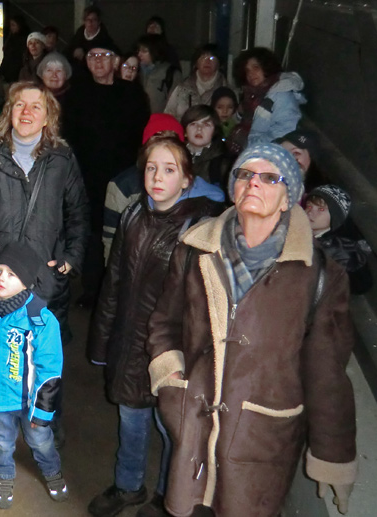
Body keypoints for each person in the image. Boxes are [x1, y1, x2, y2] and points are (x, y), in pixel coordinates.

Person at [146, 143, 357, 516]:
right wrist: (170, 377)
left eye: (269, 177)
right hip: (194, 425)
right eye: (245, 174)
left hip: (262, 439)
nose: (254, 184)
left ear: (288, 196)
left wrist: (333, 454)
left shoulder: (320, 275)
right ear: (233, 187)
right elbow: (165, 322)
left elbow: (327, 374)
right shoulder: (195, 250)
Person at [87, 134, 223, 517]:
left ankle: (168, 497)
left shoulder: (199, 228)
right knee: (130, 420)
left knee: (172, 430)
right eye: (151, 168)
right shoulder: (133, 215)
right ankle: (129, 486)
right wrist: (102, 344)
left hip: (172, 351)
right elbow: (114, 282)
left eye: (169, 169)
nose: (157, 177)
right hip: (131, 345)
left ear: (186, 179)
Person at [0, 81, 90, 347]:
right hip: (1, 279)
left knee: (44, 363)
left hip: (47, 277)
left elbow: (78, 211)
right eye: (19, 105)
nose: (26, 112)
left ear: (47, 117)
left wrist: (71, 257)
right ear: (9, 113)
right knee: (1, 360)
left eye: (36, 106)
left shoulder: (62, 159)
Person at [0, 242, 68, 509]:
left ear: (28, 282)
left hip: (30, 402)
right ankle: (4, 476)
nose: (1, 278)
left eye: (12, 274)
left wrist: (41, 411)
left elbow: (50, 367)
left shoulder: (40, 320)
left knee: (40, 440)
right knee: (1, 442)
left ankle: (52, 471)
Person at [65, 43, 150, 304]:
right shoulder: (76, 94)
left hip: (123, 176)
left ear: (115, 61)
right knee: (92, 231)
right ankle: (92, 289)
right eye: (92, 56)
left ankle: (121, 289)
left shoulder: (132, 93)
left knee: (123, 231)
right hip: (87, 174)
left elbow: (141, 135)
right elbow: (68, 136)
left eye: (105, 55)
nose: (99, 61)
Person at [102, 114, 186, 262]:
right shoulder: (123, 186)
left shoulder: (194, 186)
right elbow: (111, 243)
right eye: (156, 141)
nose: (163, 147)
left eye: (171, 141)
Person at [229, 47, 305, 150]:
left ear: (267, 67)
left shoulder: (282, 95)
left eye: (256, 68)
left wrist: (247, 142)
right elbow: (233, 123)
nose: (251, 74)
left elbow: (283, 134)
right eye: (247, 70)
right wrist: (240, 113)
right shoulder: (252, 95)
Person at [306, 185, 372, 294]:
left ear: (335, 216)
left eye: (321, 209)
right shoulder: (301, 229)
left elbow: (361, 285)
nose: (310, 212)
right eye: (309, 206)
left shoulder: (339, 249)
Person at [164, 44, 230, 120]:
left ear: (219, 63)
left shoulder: (226, 90)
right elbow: (168, 114)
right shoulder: (182, 88)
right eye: (203, 57)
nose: (207, 61)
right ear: (196, 63)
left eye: (212, 58)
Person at [181, 104, 231, 191]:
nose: (199, 129)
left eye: (206, 124)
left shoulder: (223, 163)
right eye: (193, 124)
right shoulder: (175, 156)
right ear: (185, 130)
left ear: (214, 131)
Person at [135, 34, 182, 114]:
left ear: (154, 51)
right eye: (138, 51)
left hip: (159, 121)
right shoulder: (136, 70)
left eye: (144, 51)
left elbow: (175, 104)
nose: (139, 54)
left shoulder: (170, 73)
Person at [0, 16, 29, 82]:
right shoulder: (11, 38)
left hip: (17, 73)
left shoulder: (23, 40)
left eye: (13, 25)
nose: (11, 28)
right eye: (11, 25)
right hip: (9, 72)